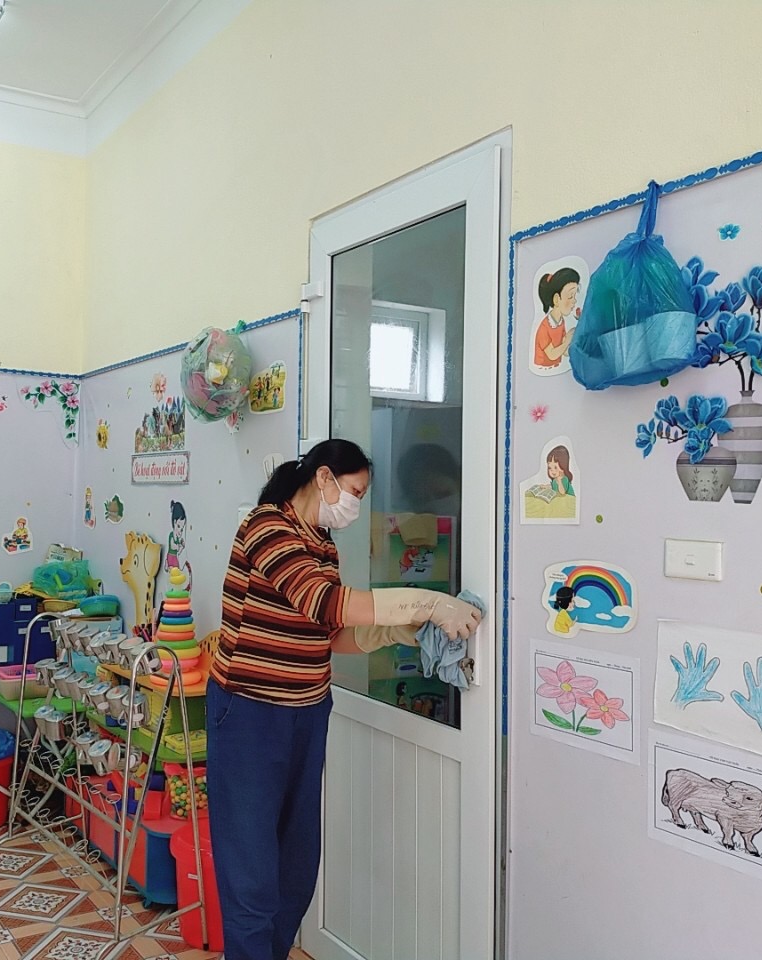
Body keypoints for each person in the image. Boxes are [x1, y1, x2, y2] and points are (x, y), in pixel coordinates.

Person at [207, 438, 481, 960]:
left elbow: (332, 633)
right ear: (324, 477)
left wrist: (401, 630)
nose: (355, 504)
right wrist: (427, 601)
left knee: (296, 865)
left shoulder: (323, 545)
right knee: (252, 868)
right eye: (355, 491)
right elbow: (326, 601)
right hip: (249, 712)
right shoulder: (267, 526)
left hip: (308, 712)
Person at [532, 266, 581, 370]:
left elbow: (564, 351)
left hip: (556, 367)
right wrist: (567, 341)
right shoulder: (544, 327)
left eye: (574, 296)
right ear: (557, 299)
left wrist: (575, 341)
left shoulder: (560, 322)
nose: (574, 301)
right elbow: (552, 355)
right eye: (570, 296)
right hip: (544, 369)